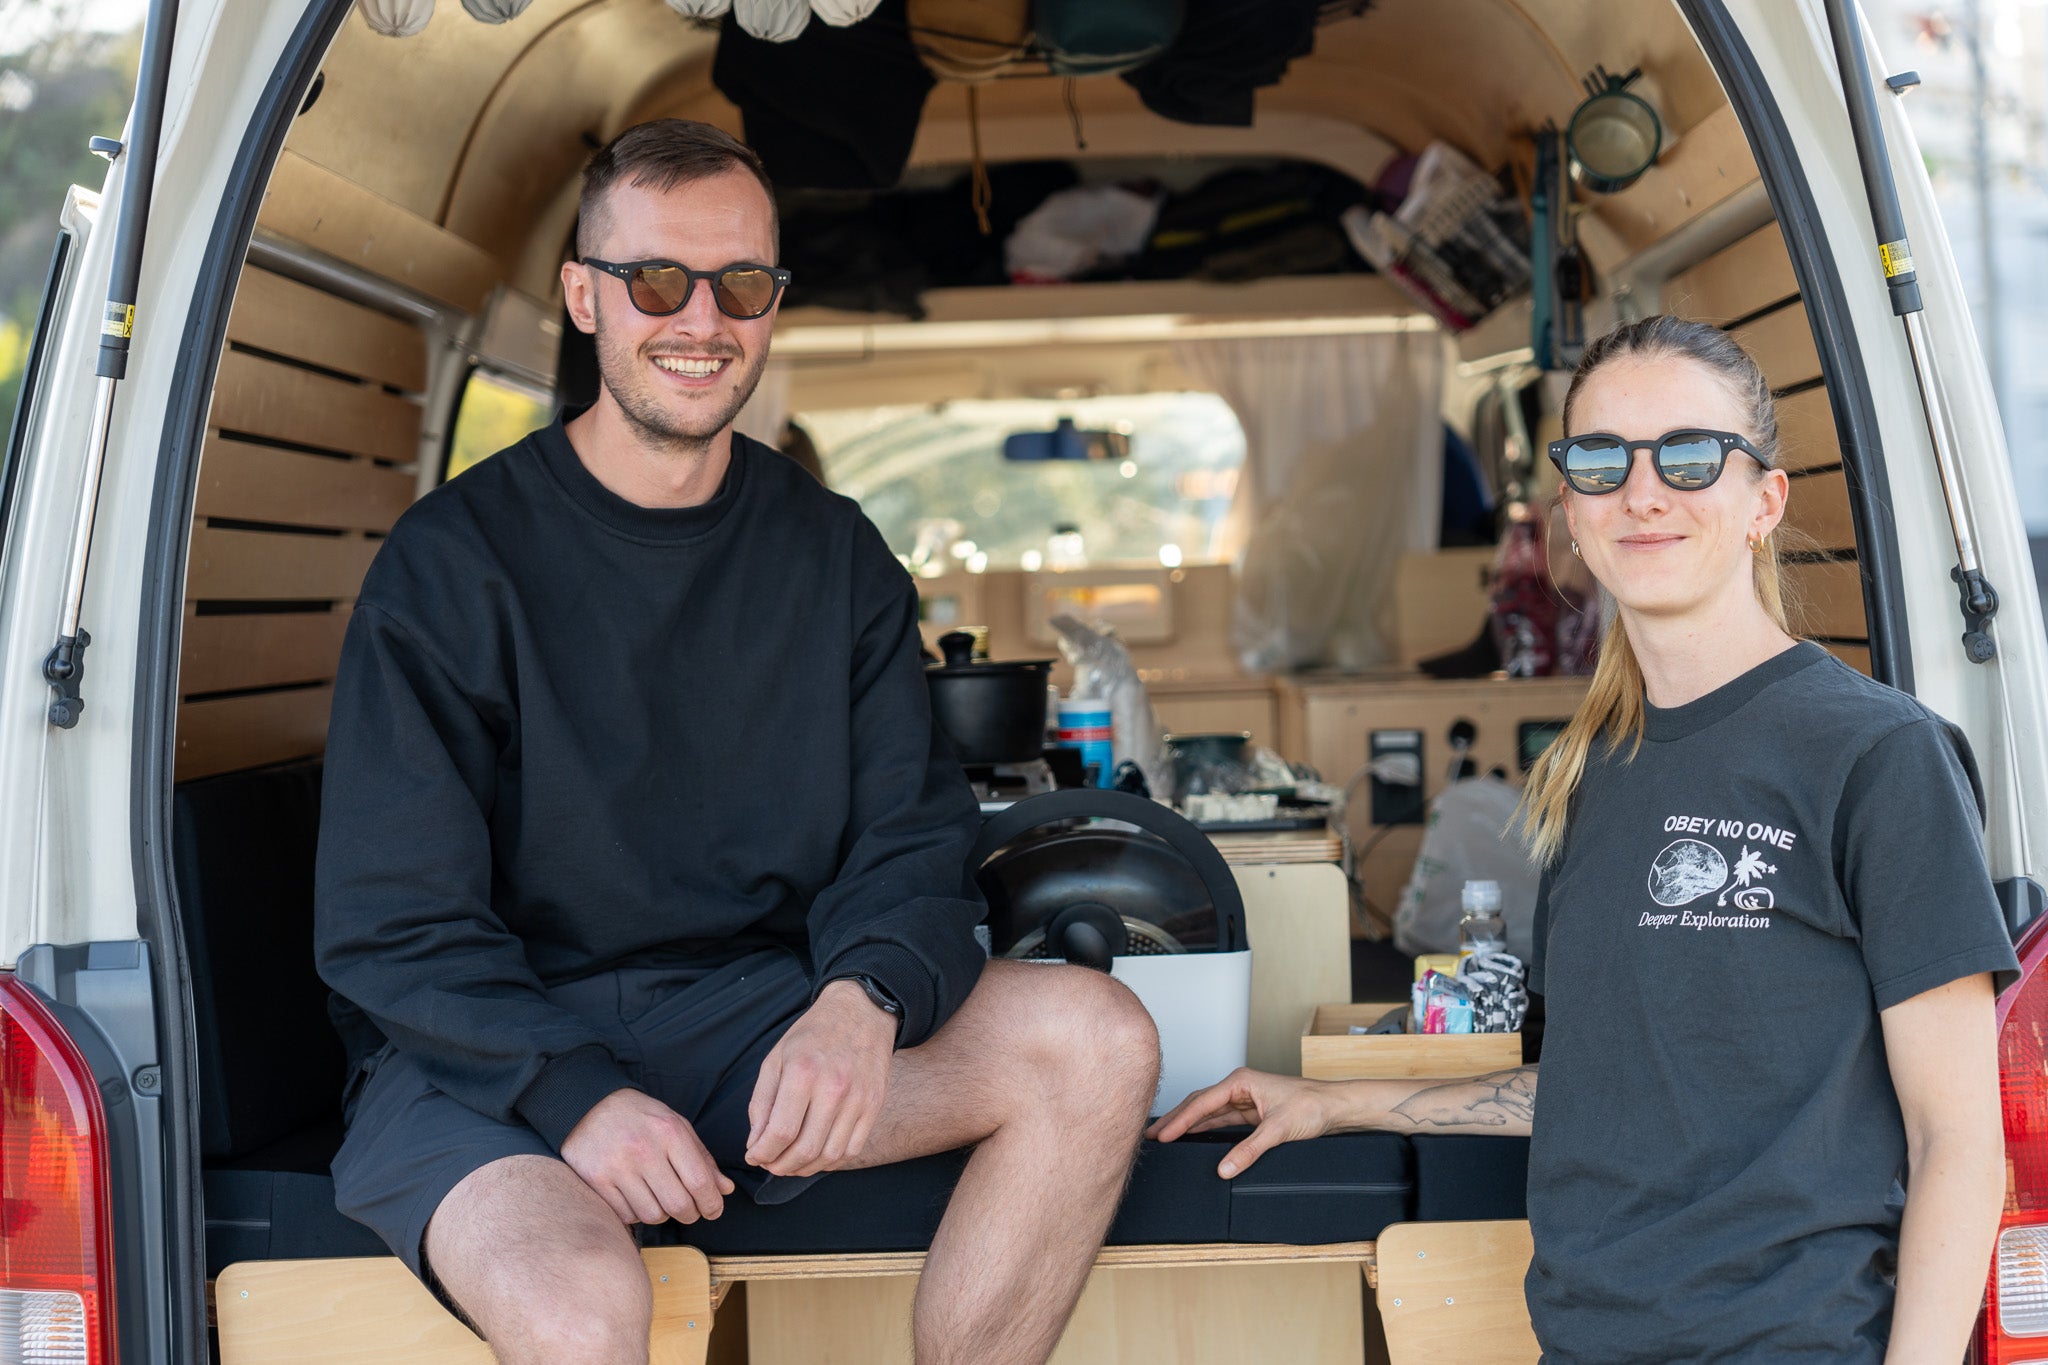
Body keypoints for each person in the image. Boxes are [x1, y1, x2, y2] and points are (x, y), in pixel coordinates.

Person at [315, 118, 1160, 1365]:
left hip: (750, 1024)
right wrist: (575, 1097)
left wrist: (863, 997)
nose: (701, 320)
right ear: (584, 297)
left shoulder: (835, 555)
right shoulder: (451, 564)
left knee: (1096, 1041)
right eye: (657, 281)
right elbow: (394, 921)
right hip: (485, 1056)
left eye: (742, 284)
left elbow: (910, 834)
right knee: (577, 1315)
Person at [1150, 315, 2017, 1362]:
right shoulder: (1592, 768)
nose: (1642, 494)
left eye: (1689, 457)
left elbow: (1957, 1142)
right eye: (1603, 461)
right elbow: (1602, 1086)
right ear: (1569, 508)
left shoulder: (1878, 756)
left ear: (1764, 501)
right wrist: (1337, 1103)